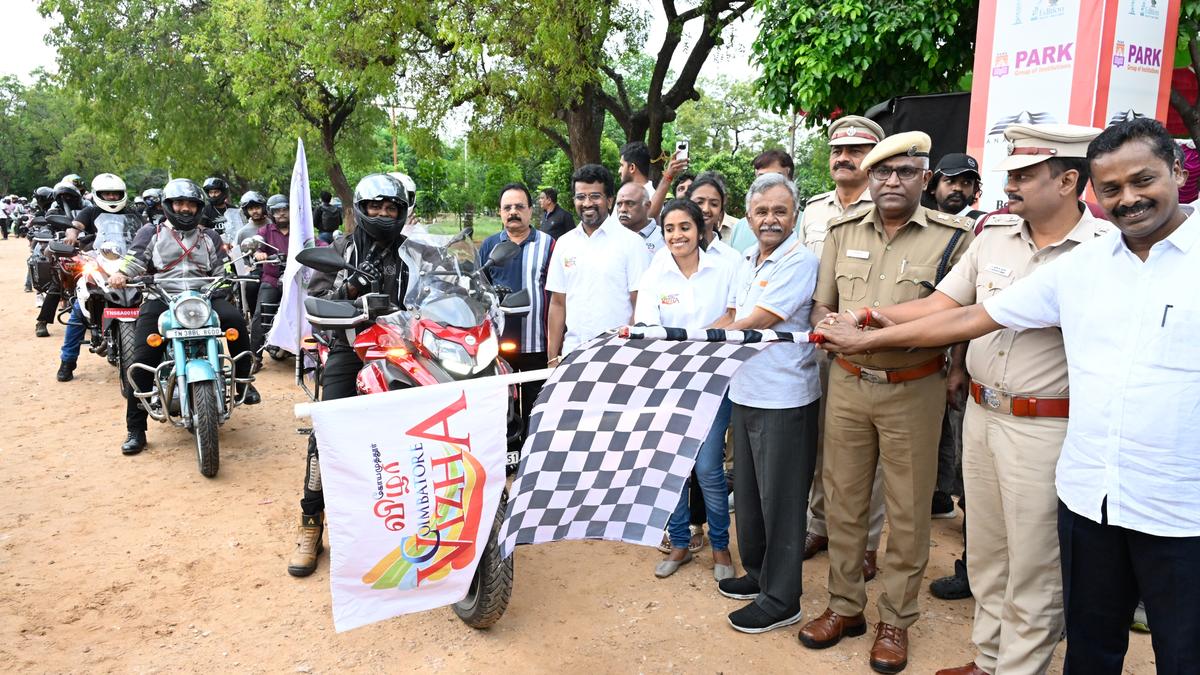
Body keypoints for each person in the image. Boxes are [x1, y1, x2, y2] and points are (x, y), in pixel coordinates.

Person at [815, 117, 1200, 675]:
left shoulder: (1090, 250)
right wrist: (871, 318)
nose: (1127, 199)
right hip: (994, 419)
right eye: (1112, 188)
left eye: (1026, 172)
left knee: (1040, 573)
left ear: (1068, 182)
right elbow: (958, 311)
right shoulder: (1042, 250)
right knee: (993, 558)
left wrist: (870, 329)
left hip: (1059, 433)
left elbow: (965, 320)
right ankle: (990, 660)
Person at [796, 131, 974, 674]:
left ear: (926, 178)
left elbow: (955, 317)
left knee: (908, 509)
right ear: (868, 179)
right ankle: (845, 606)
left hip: (914, 387)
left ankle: (895, 620)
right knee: (844, 503)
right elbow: (821, 305)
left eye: (904, 171)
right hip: (848, 384)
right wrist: (830, 329)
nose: (891, 181)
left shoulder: (954, 237)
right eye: (882, 172)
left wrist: (957, 368)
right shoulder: (840, 229)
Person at [288, 173, 416, 577]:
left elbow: (444, 285)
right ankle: (311, 526)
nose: (383, 213)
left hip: (410, 348)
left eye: (391, 207)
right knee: (327, 432)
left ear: (401, 212)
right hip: (352, 347)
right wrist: (345, 290)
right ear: (361, 209)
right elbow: (316, 299)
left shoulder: (414, 252)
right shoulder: (341, 248)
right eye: (376, 206)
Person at [709, 172, 821, 634]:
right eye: (762, 211)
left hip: (785, 398)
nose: (770, 219)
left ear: (793, 215)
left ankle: (782, 598)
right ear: (749, 216)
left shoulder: (800, 260)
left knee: (782, 501)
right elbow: (732, 314)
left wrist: (705, 339)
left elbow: (758, 320)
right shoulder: (746, 259)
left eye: (780, 211)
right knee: (751, 497)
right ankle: (756, 574)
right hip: (746, 391)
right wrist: (669, 339)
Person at [798, 116, 888, 582]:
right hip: (818, 344)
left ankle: (867, 542)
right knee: (820, 444)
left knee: (865, 455)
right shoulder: (812, 210)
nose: (843, 157)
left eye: (855, 149)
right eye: (837, 150)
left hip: (874, 349)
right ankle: (819, 525)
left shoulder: (891, 205)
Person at [109, 178, 260, 456]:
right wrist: (121, 274)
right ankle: (136, 429)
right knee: (142, 360)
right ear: (169, 205)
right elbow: (134, 261)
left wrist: (229, 278)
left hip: (204, 298)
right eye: (179, 203)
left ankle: (243, 385)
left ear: (198, 207)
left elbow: (222, 269)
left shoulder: (209, 237)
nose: (185, 208)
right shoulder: (150, 232)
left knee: (236, 321)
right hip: (162, 298)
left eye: (191, 204)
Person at [636, 199, 737, 581]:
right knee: (672, 467)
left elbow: (733, 314)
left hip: (715, 380)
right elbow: (647, 328)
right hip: (670, 383)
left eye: (684, 227)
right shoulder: (655, 274)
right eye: (669, 229)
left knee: (709, 467)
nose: (677, 235)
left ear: (700, 229)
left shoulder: (725, 268)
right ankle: (679, 542)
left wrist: (697, 342)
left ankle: (722, 547)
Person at [925, 151, 985, 603]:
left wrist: (959, 366)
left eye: (966, 182)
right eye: (951, 181)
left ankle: (973, 566)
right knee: (942, 452)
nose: (958, 189)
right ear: (935, 184)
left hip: (964, 363)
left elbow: (969, 311)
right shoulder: (923, 226)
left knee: (970, 468)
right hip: (926, 355)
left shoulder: (984, 229)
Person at [544, 163, 649, 365]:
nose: (587, 203)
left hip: (619, 357)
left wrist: (630, 351)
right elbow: (558, 304)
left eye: (595, 196)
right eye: (581, 197)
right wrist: (552, 357)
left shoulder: (632, 243)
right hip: (572, 355)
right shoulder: (565, 244)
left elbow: (640, 304)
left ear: (609, 201)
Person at [477, 182, 554, 434]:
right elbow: (478, 290)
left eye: (519, 206)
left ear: (531, 211)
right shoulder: (489, 246)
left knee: (537, 408)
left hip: (538, 344)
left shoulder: (548, 245)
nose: (513, 212)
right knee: (500, 410)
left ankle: (532, 461)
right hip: (497, 347)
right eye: (507, 207)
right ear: (500, 212)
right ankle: (505, 462)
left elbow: (558, 296)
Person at [56, 173, 145, 382]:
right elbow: (75, 227)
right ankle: (67, 361)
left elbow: (147, 233)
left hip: (128, 263)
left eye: (116, 194)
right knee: (79, 310)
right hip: (98, 259)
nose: (112, 198)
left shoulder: (134, 214)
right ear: (98, 194)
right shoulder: (90, 211)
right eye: (107, 194)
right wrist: (71, 237)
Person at [35, 182, 87, 338]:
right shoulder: (54, 211)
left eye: (70, 195)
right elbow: (47, 227)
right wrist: (50, 236)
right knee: (58, 284)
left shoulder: (87, 208)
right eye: (63, 196)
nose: (67, 199)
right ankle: (42, 321)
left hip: (89, 250)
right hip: (64, 253)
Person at [250, 196, 293, 362]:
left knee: (309, 309)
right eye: (277, 211)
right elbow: (257, 248)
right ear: (271, 213)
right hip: (272, 279)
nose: (281, 214)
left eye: (285, 210)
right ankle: (254, 357)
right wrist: (259, 253)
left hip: (295, 281)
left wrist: (326, 248)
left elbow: (314, 243)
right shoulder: (265, 231)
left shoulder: (299, 230)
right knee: (260, 314)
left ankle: (314, 356)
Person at [728, 149, 796, 253]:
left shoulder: (805, 220)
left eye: (776, 178)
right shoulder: (739, 228)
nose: (769, 184)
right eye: (762, 178)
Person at [615, 179, 664, 259]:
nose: (622, 209)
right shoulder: (611, 237)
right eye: (619, 204)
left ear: (647, 205)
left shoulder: (664, 238)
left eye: (630, 204)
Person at [201, 176, 245, 246]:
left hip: (235, 246)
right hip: (214, 247)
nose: (213, 195)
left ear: (223, 192)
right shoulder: (205, 210)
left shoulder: (234, 210)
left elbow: (242, 228)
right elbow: (199, 230)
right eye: (211, 192)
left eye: (216, 192)